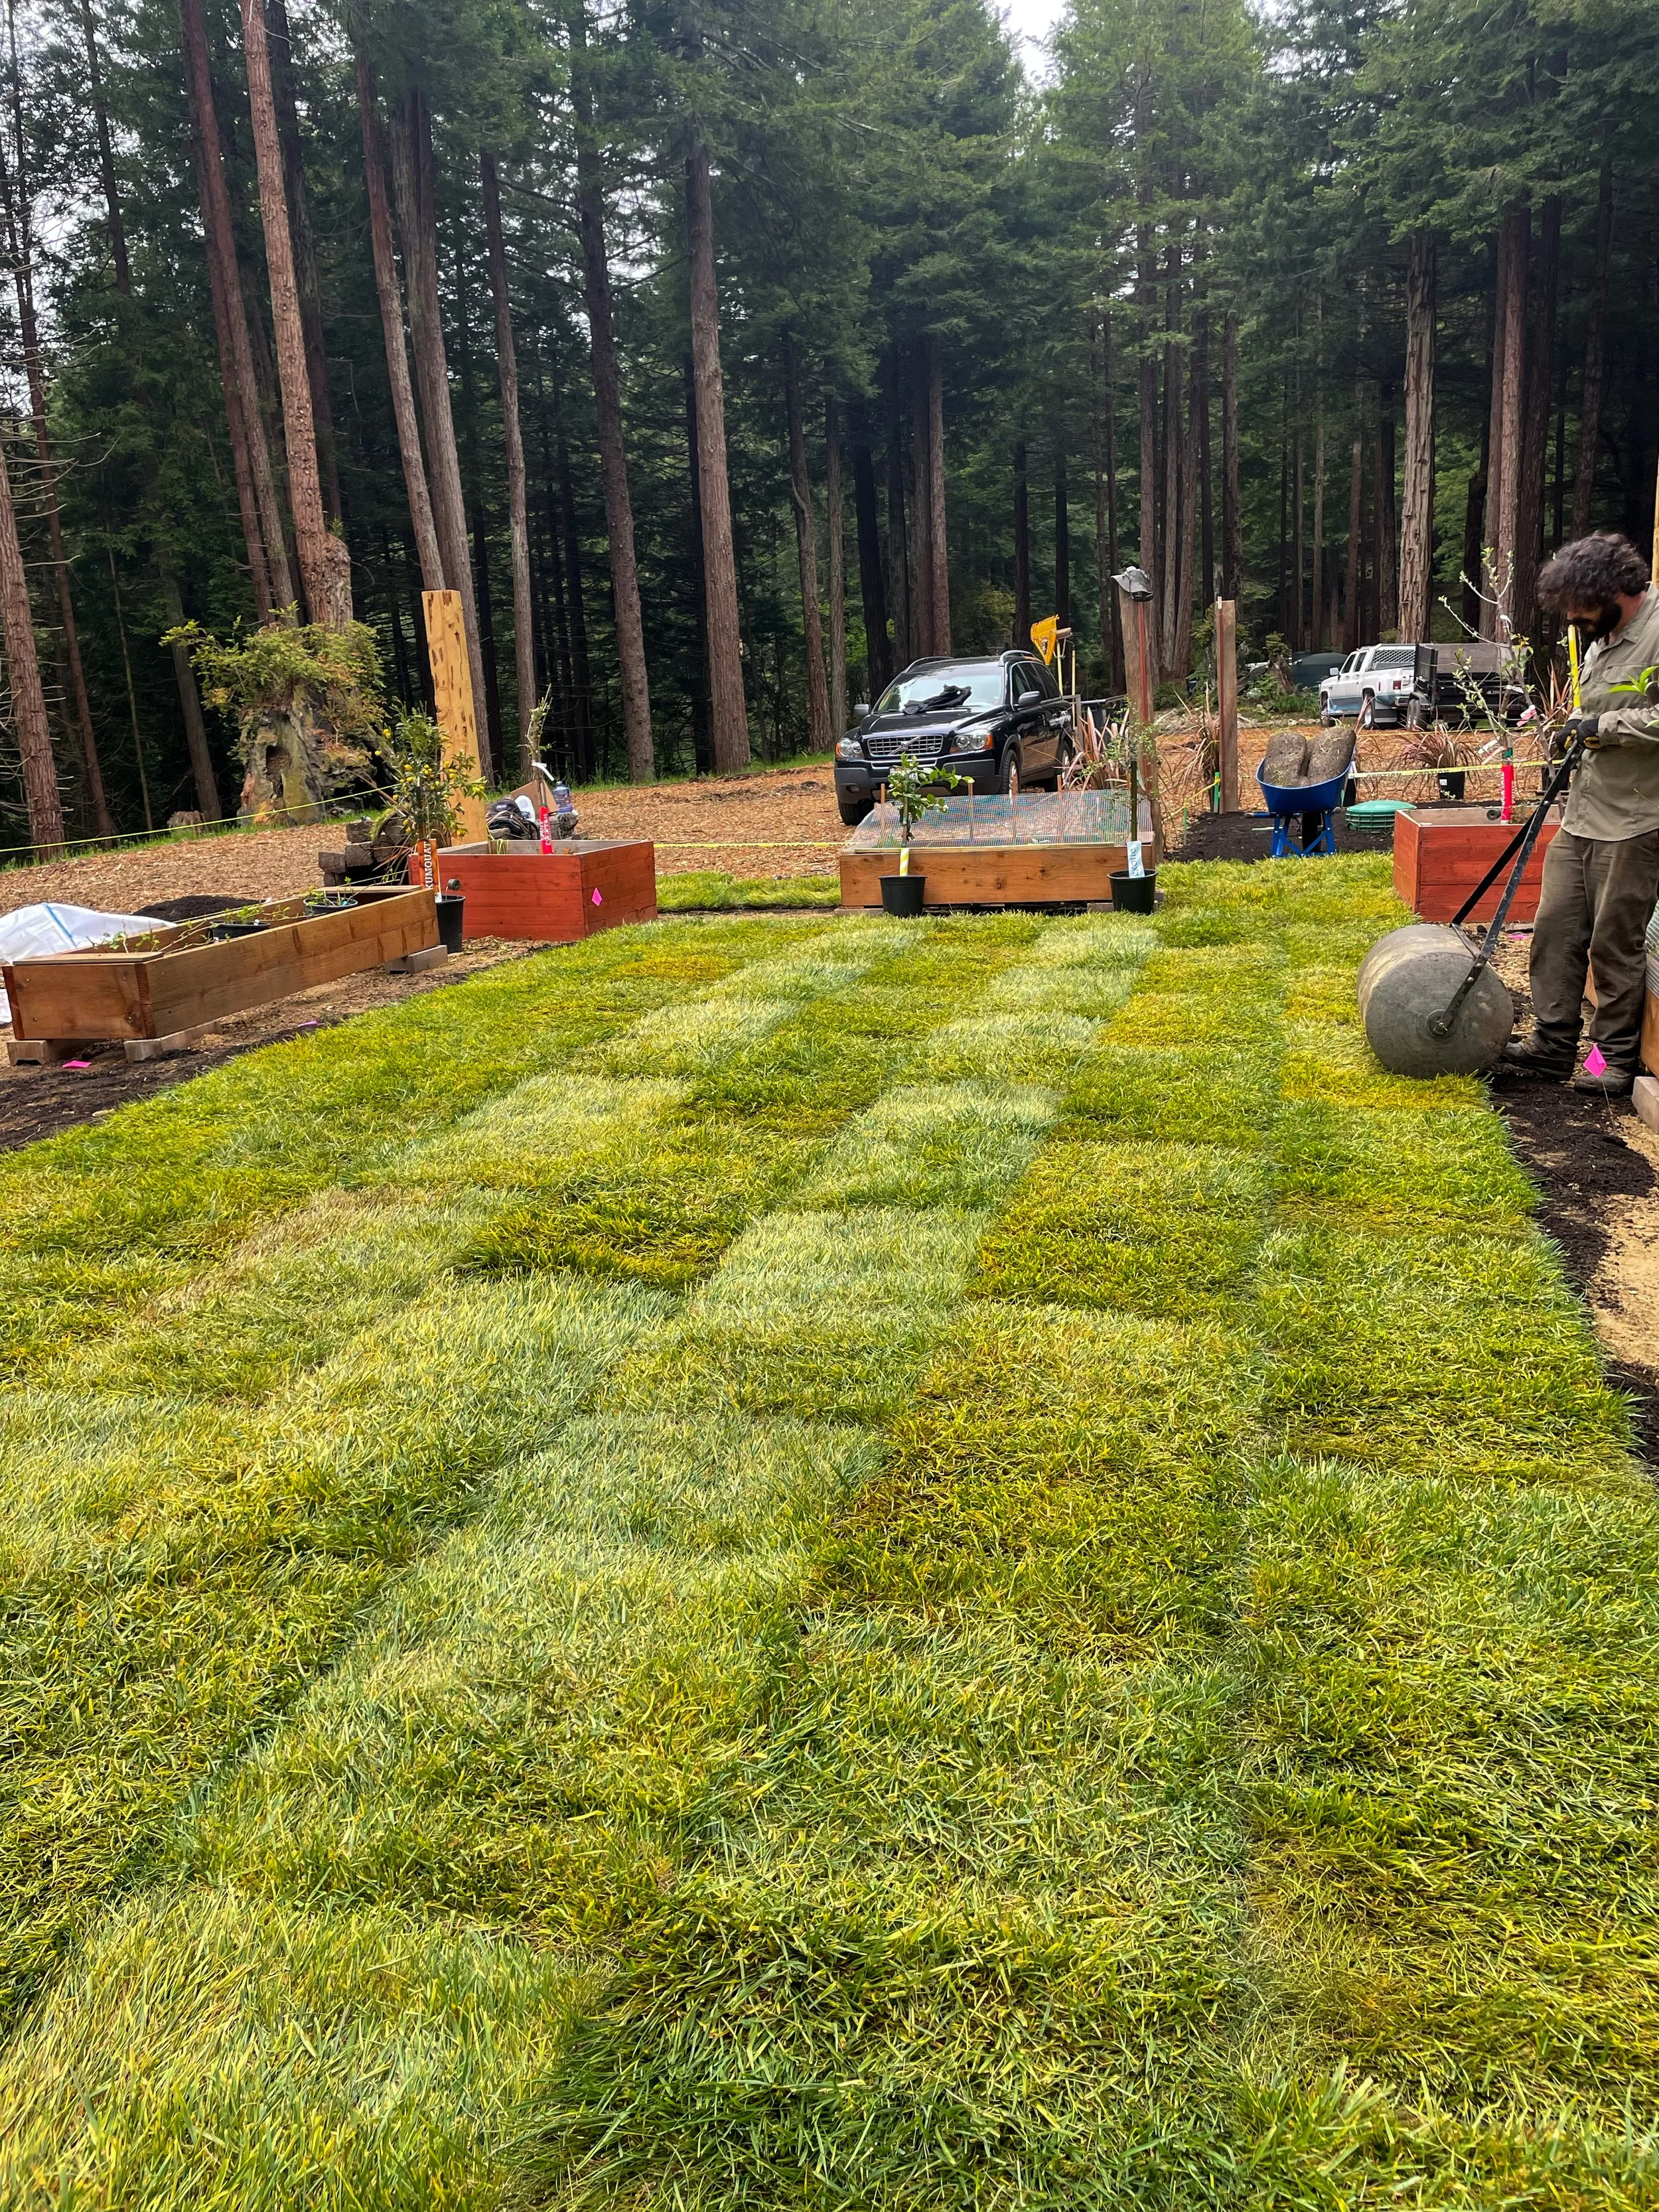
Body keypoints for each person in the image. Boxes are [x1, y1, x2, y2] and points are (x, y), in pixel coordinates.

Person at [1502, 530, 1659, 1098]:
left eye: (1580, 604)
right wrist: (1574, 725)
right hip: (1584, 811)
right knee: (1554, 929)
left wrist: (1606, 729)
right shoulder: (1601, 634)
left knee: (1614, 941)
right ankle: (1551, 1045)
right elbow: (1597, 708)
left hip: (1638, 818)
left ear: (1617, 588)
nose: (1572, 617)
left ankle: (1609, 1064)